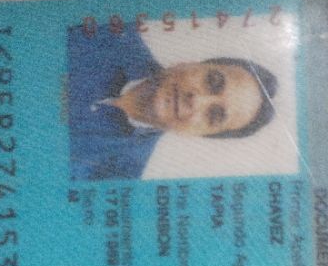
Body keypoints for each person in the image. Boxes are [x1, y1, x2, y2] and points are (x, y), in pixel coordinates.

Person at [67, 22, 278, 180]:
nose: (197, 99)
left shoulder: (117, 175)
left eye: (214, 115)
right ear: (190, 64)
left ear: (198, 134)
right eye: (212, 81)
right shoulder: (107, 28)